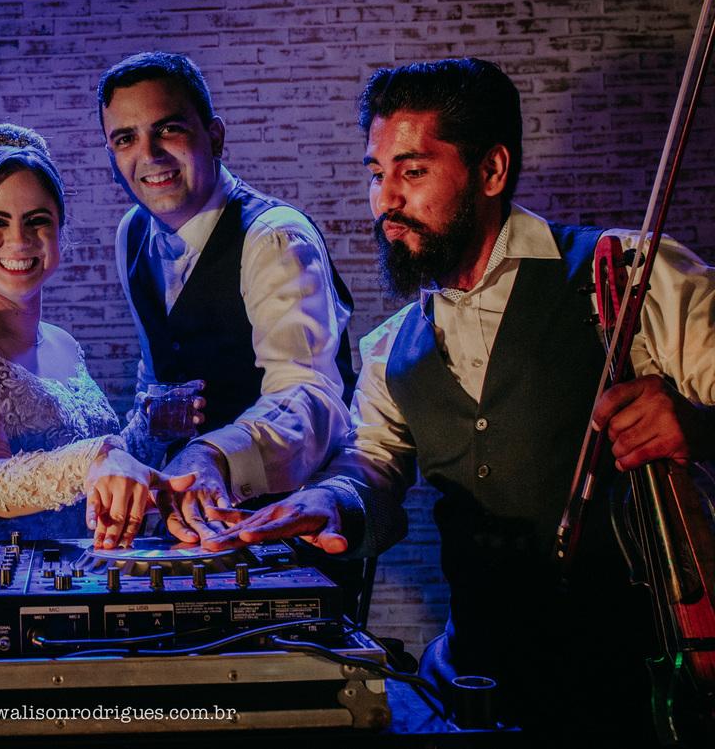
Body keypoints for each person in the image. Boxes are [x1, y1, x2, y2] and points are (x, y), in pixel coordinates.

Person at [206, 58, 715, 741]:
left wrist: (697, 427)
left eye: (412, 171)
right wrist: (331, 501)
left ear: (492, 170)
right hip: (479, 691)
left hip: (644, 689)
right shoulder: (392, 348)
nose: (385, 198)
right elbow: (375, 472)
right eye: (375, 172)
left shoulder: (626, 275)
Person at [96, 51, 357, 544]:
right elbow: (158, 369)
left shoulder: (274, 237)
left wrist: (216, 453)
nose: (148, 155)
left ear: (215, 136)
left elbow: (310, 396)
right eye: (125, 138)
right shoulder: (131, 234)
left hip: (285, 527)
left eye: (168, 129)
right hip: (184, 524)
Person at [0, 123, 194, 548]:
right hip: (0, 591)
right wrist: (94, 460)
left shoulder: (63, 344)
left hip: (85, 578)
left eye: (37, 221)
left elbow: (93, 476)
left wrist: (149, 432)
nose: (19, 241)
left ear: (59, 229)